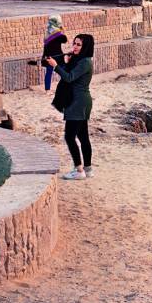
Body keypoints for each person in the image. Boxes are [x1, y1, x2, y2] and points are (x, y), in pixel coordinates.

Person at [47, 33, 95, 180]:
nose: (75, 46)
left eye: (79, 44)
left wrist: (55, 66)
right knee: (83, 136)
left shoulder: (85, 62)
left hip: (78, 103)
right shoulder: (80, 60)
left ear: (85, 46)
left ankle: (79, 170)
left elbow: (69, 78)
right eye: (74, 43)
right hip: (79, 101)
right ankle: (88, 169)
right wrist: (65, 63)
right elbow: (69, 73)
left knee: (69, 136)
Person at [41, 16, 67, 92]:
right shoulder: (58, 34)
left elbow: (45, 46)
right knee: (63, 72)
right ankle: (65, 87)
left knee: (49, 73)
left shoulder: (47, 33)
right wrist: (63, 30)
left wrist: (44, 57)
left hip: (49, 56)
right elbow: (65, 40)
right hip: (58, 56)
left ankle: (47, 90)